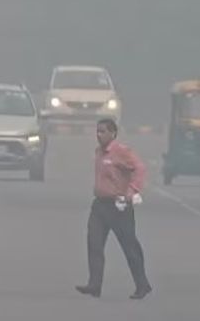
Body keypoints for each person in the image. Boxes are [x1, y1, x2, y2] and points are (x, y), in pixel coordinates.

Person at [76, 119, 153, 300]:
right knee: (94, 244)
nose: (99, 135)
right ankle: (94, 284)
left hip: (119, 206)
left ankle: (142, 284)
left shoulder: (121, 152)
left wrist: (132, 190)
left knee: (129, 246)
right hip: (100, 205)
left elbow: (140, 169)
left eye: (103, 131)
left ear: (113, 133)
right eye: (97, 131)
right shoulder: (99, 152)